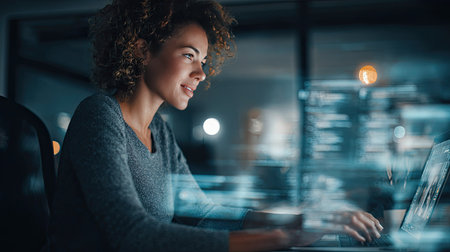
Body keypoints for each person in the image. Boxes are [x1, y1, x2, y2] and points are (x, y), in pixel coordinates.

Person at [47, 0, 383, 251]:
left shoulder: (159, 132)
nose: (201, 73)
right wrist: (283, 237)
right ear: (142, 49)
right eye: (189, 56)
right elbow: (131, 233)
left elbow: (202, 212)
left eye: (204, 61)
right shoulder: (99, 115)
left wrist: (300, 219)